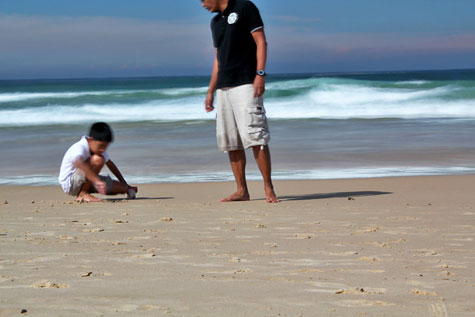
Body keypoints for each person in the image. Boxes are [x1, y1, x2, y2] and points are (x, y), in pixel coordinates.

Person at [201, 0, 279, 203]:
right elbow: (218, 59)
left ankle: (268, 188)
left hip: (246, 82)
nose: (202, 4)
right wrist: (210, 91)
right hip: (224, 87)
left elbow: (261, 41)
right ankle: (241, 190)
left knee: (256, 136)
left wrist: (260, 73)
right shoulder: (215, 22)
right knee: (230, 140)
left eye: (203, 0)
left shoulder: (244, 7)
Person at [58, 122, 137, 202]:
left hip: (87, 181)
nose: (103, 150)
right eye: (101, 146)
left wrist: (125, 184)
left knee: (122, 188)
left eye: (105, 147)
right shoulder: (80, 147)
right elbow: (78, 163)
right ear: (90, 140)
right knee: (98, 159)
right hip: (71, 184)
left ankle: (86, 190)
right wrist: (97, 180)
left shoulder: (99, 150)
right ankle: (83, 193)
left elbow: (110, 164)